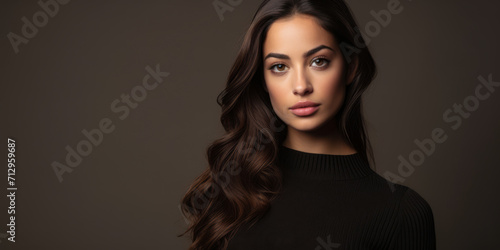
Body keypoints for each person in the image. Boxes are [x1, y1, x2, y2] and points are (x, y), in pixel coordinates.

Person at [179, 0, 436, 249]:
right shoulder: (234, 187)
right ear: (263, 80)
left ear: (351, 67)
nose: (301, 86)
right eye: (279, 67)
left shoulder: (401, 213)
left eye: (318, 61)